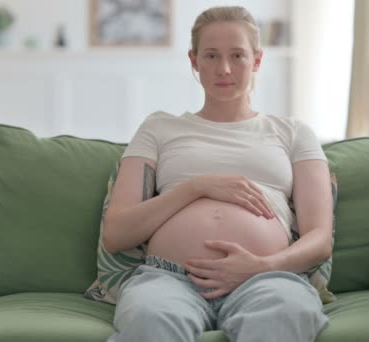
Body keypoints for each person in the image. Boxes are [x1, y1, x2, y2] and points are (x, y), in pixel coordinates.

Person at [103, 6, 333, 342]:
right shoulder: (159, 128)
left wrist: (262, 266)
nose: (224, 69)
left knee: (287, 314)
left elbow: (320, 239)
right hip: (167, 280)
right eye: (211, 56)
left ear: (256, 60)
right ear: (193, 60)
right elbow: (117, 233)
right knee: (149, 320)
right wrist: (198, 187)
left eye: (237, 55)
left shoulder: (293, 133)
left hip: (266, 278)